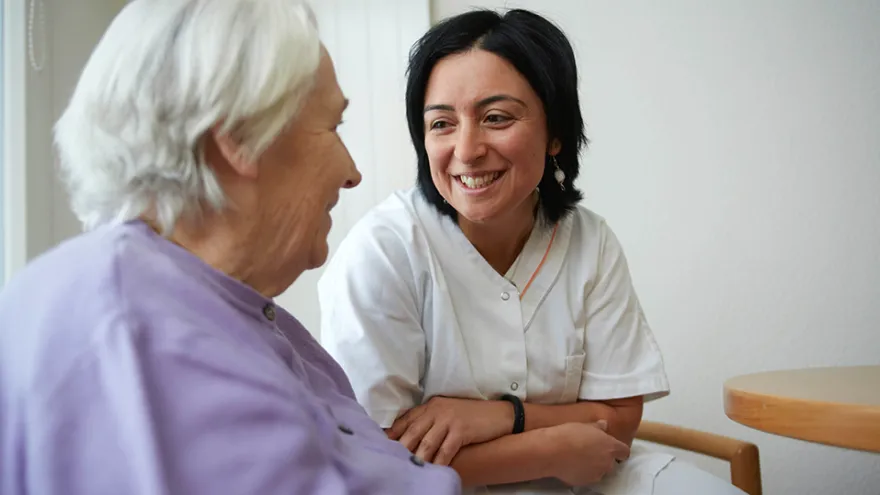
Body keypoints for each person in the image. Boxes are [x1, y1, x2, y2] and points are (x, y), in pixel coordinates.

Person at [0, 1, 462, 494]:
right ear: (239, 138)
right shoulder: (134, 332)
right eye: (332, 127)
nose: (352, 173)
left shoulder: (226, 313)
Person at [318, 8, 747, 495]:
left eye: (496, 118)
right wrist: (552, 447)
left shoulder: (588, 241)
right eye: (442, 123)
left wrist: (504, 417)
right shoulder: (382, 252)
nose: (467, 149)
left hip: (591, 477)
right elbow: (374, 462)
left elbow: (621, 420)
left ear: (556, 133)